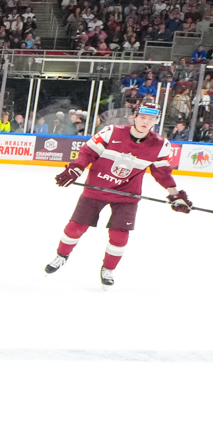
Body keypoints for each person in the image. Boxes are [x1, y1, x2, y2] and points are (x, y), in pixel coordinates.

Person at [46, 97, 191, 286]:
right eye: (143, 117)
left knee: (119, 235)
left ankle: (108, 269)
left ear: (156, 121)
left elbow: (162, 172)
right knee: (76, 227)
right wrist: (76, 168)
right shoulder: (111, 132)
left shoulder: (161, 145)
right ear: (134, 116)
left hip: (127, 195)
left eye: (151, 119)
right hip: (97, 188)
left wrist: (175, 194)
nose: (145, 122)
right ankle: (61, 256)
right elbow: (88, 152)